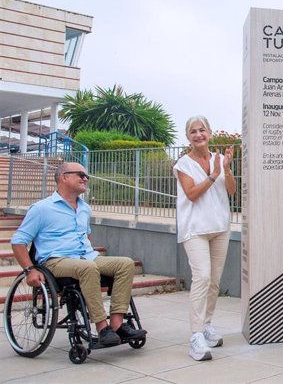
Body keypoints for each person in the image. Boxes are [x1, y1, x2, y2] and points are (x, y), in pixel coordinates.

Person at [11, 162, 147, 347]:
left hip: (86, 257)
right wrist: (30, 270)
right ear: (63, 177)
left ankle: (117, 324)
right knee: (87, 267)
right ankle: (101, 327)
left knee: (125, 263)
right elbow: (18, 241)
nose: (85, 178)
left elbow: (86, 234)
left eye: (86, 176)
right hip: (56, 260)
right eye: (80, 175)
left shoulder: (85, 208)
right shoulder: (42, 208)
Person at [174, 116, 237, 361]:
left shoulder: (220, 160)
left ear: (209, 133)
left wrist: (227, 170)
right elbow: (191, 194)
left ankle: (207, 324)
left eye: (202, 130)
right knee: (202, 277)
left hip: (220, 227)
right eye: (193, 131)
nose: (198, 134)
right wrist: (213, 175)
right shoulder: (183, 164)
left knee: (214, 281)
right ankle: (196, 336)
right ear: (188, 137)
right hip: (195, 230)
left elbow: (231, 191)